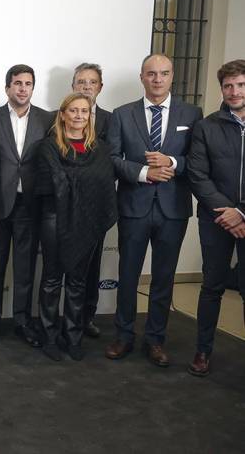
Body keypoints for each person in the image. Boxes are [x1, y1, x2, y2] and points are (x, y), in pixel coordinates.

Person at [105, 54, 202, 367]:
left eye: (163, 73)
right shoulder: (122, 114)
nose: (157, 79)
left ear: (172, 76)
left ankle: (156, 340)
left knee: (163, 278)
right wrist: (145, 172)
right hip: (134, 206)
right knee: (128, 275)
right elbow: (112, 159)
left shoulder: (193, 113)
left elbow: (199, 161)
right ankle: (123, 336)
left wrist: (172, 163)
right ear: (142, 77)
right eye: (151, 74)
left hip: (173, 209)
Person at [35, 93, 117, 362]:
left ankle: (72, 336)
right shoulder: (48, 147)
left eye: (84, 111)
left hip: (88, 222)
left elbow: (103, 185)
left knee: (78, 282)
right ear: (63, 114)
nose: (79, 115)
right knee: (51, 280)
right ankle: (48, 336)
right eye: (73, 110)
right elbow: (51, 183)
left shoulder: (100, 149)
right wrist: (81, 182)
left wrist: (74, 181)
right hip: (54, 220)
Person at [0, 64, 52, 347]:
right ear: (7, 87)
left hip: (30, 206)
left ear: (33, 88)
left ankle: (22, 322)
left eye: (28, 83)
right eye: (17, 83)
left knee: (25, 269)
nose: (23, 88)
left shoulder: (47, 120)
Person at [186, 59, 245, 376]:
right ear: (221, 88)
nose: (234, 91)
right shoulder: (207, 126)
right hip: (216, 220)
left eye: (240, 85)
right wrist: (228, 212)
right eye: (228, 86)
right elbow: (197, 175)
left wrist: (242, 211)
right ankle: (202, 351)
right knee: (212, 287)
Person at [70, 63, 114, 338]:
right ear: (73, 86)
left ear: (100, 86)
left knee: (92, 264)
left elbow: (113, 160)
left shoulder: (112, 120)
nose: (87, 86)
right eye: (81, 82)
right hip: (66, 205)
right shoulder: (58, 118)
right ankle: (65, 319)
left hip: (97, 206)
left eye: (92, 82)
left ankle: (87, 317)